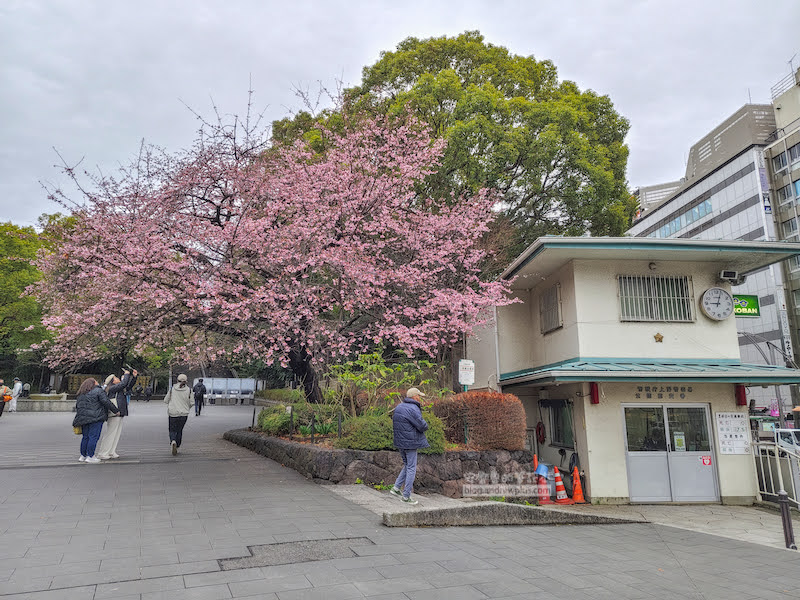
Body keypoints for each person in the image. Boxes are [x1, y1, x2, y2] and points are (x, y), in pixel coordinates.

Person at [389, 387, 429, 505]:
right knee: (411, 467)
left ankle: (396, 488)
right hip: (410, 442)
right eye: (419, 396)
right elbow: (422, 425)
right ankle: (406, 496)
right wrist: (426, 425)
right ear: (414, 397)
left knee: (407, 465)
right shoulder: (413, 408)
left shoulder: (399, 406)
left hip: (400, 442)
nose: (420, 398)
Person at [73, 378, 119, 463]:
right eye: (96, 381)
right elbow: (106, 401)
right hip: (96, 417)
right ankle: (91, 456)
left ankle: (83, 455)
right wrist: (116, 410)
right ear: (94, 383)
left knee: (85, 437)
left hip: (83, 418)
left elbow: (78, 406)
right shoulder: (98, 391)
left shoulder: (81, 393)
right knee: (93, 437)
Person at [96, 369, 137, 460]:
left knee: (116, 433)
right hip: (115, 413)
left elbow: (128, 386)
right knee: (111, 433)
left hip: (119, 412)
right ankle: (103, 452)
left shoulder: (117, 388)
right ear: (113, 381)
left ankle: (111, 451)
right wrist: (126, 375)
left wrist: (134, 377)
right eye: (116, 378)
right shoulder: (112, 388)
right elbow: (123, 384)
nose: (118, 378)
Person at [165, 373, 193, 455]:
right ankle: (177, 445)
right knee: (179, 430)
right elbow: (192, 402)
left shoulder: (172, 388)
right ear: (186, 381)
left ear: (177, 380)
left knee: (172, 429)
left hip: (173, 412)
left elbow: (166, 400)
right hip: (184, 414)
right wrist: (187, 407)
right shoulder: (189, 390)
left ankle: (173, 441)